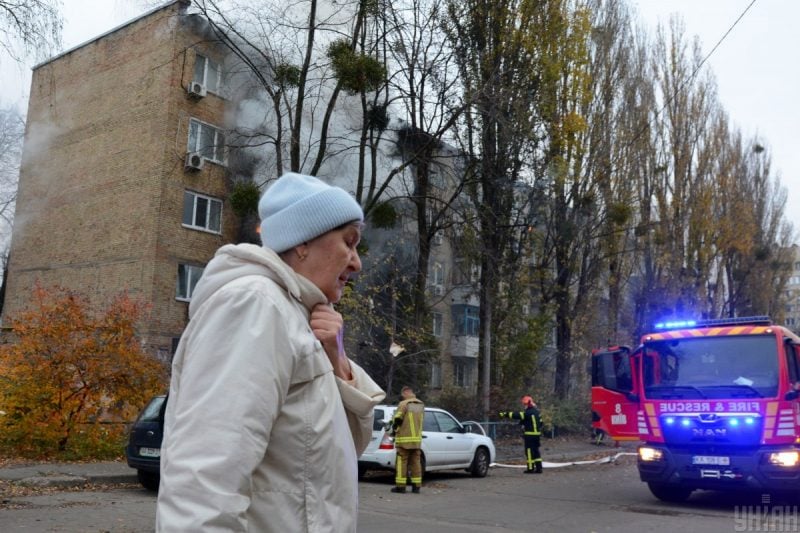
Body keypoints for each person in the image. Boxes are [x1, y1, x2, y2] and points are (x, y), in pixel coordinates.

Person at [156, 172, 386, 532]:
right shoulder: (256, 304)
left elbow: (342, 452)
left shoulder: (297, 318)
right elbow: (204, 473)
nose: (357, 263)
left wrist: (337, 361)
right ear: (302, 243)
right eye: (349, 242)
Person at [390, 386, 425, 494]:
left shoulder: (403, 404)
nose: (402, 397)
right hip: (416, 441)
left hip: (404, 440)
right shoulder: (420, 404)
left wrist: (393, 430)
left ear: (405, 393)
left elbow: (397, 419)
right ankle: (416, 487)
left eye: (402, 395)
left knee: (402, 462)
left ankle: (401, 487)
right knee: (416, 463)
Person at [499, 395, 543, 473]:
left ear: (527, 404)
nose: (524, 406)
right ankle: (539, 468)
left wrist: (505, 414)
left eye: (524, 404)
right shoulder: (537, 412)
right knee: (536, 451)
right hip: (537, 435)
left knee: (529, 451)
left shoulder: (527, 413)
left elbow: (516, 415)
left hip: (529, 436)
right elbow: (541, 423)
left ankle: (530, 468)